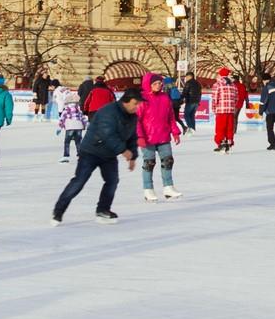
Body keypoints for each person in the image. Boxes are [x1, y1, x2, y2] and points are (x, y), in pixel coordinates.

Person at [52, 86, 141, 224]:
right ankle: (58, 210)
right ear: (126, 101)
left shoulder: (132, 117)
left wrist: (133, 156)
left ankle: (102, 210)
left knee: (112, 181)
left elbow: (132, 137)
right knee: (79, 181)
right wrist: (124, 151)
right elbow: (107, 134)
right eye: (136, 103)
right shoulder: (109, 111)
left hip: (109, 154)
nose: (138, 107)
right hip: (91, 151)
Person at [135, 71, 182, 201]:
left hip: (163, 135)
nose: (158, 85)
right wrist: (139, 136)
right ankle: (148, 189)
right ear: (148, 85)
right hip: (147, 137)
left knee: (168, 160)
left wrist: (175, 131)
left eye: (159, 83)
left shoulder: (165, 97)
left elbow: (171, 117)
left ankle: (168, 187)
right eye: (155, 83)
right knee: (149, 162)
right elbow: (136, 120)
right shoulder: (142, 99)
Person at [210, 67, 243, 152]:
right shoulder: (233, 85)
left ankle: (221, 143)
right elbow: (236, 98)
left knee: (220, 128)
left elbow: (214, 98)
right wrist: (232, 106)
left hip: (221, 110)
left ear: (220, 75)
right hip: (231, 110)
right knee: (229, 127)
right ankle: (229, 142)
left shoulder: (217, 84)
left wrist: (214, 108)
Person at [56, 86, 85, 160]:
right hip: (79, 127)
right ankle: (80, 155)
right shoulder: (78, 110)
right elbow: (83, 118)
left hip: (70, 127)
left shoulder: (66, 110)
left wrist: (59, 128)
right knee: (78, 142)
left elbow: (62, 119)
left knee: (67, 142)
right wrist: (86, 125)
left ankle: (66, 156)